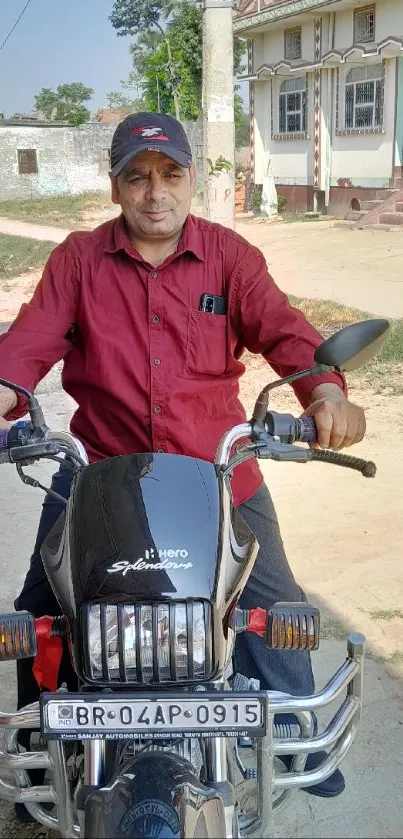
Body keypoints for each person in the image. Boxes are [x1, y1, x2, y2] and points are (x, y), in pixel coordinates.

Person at [0, 113, 365, 816]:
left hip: (217, 474)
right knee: (42, 609)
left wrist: (322, 390)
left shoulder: (230, 257)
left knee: (272, 601)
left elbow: (285, 330)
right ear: (115, 186)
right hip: (99, 471)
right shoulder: (77, 259)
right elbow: (29, 341)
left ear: (192, 180)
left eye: (170, 175)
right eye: (137, 176)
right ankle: (45, 756)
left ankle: (291, 735)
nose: (154, 193)